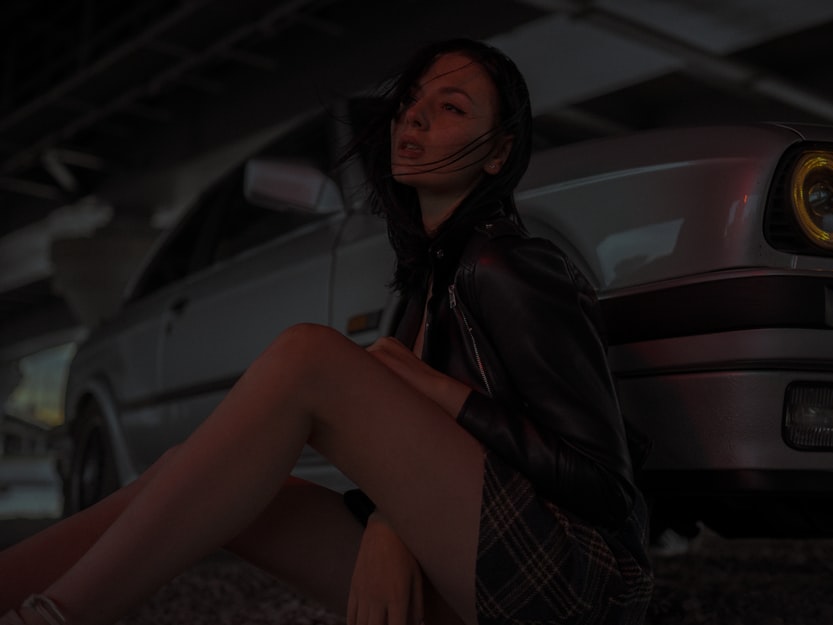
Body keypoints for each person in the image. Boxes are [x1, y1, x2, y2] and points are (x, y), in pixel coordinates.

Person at [0, 37, 653, 625]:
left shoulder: (509, 266)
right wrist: (385, 528)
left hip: (581, 590)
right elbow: (422, 461)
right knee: (198, 477)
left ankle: (56, 617)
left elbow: (604, 483)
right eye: (412, 100)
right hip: (478, 577)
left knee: (307, 355)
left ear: (500, 151)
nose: (415, 115)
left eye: (451, 107)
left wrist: (443, 394)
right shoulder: (429, 277)